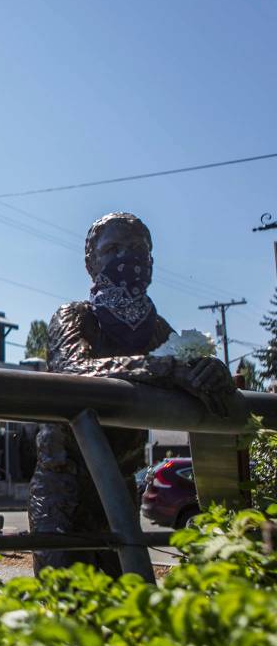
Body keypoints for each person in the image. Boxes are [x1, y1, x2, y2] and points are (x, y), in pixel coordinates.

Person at [29, 212, 235, 576]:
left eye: (138, 249)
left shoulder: (158, 330)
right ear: (91, 263)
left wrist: (211, 373)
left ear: (151, 262)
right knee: (68, 604)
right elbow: (72, 370)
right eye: (113, 248)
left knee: (131, 590)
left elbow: (191, 374)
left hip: (122, 482)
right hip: (65, 485)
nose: (128, 258)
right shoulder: (76, 316)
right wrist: (165, 370)